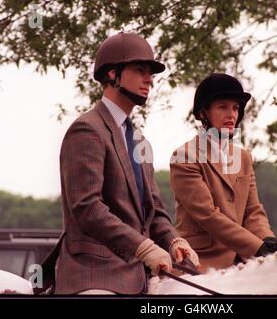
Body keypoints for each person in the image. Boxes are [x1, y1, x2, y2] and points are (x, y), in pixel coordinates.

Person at [48, 32, 199, 295]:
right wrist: (143, 247)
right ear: (112, 75)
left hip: (137, 274)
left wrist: (173, 240)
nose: (149, 79)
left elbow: (155, 213)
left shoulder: (139, 139)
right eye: (140, 70)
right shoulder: (87, 129)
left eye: (150, 72)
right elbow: (87, 207)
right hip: (95, 273)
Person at [169, 73, 277, 271]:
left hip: (241, 260)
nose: (231, 114)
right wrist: (258, 247)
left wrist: (268, 240)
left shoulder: (244, 157)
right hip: (200, 263)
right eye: (222, 107)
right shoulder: (184, 156)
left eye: (235, 108)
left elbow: (253, 211)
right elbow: (208, 216)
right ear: (203, 113)